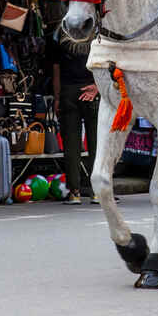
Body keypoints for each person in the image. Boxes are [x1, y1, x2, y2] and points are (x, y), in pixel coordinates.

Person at [49, 31, 98, 203]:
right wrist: (97, 86)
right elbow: (105, 63)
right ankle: (97, 191)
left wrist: (57, 97)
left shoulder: (59, 33)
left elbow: (56, 70)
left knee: (71, 143)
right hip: (91, 90)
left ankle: (74, 192)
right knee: (96, 143)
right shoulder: (96, 32)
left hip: (67, 92)